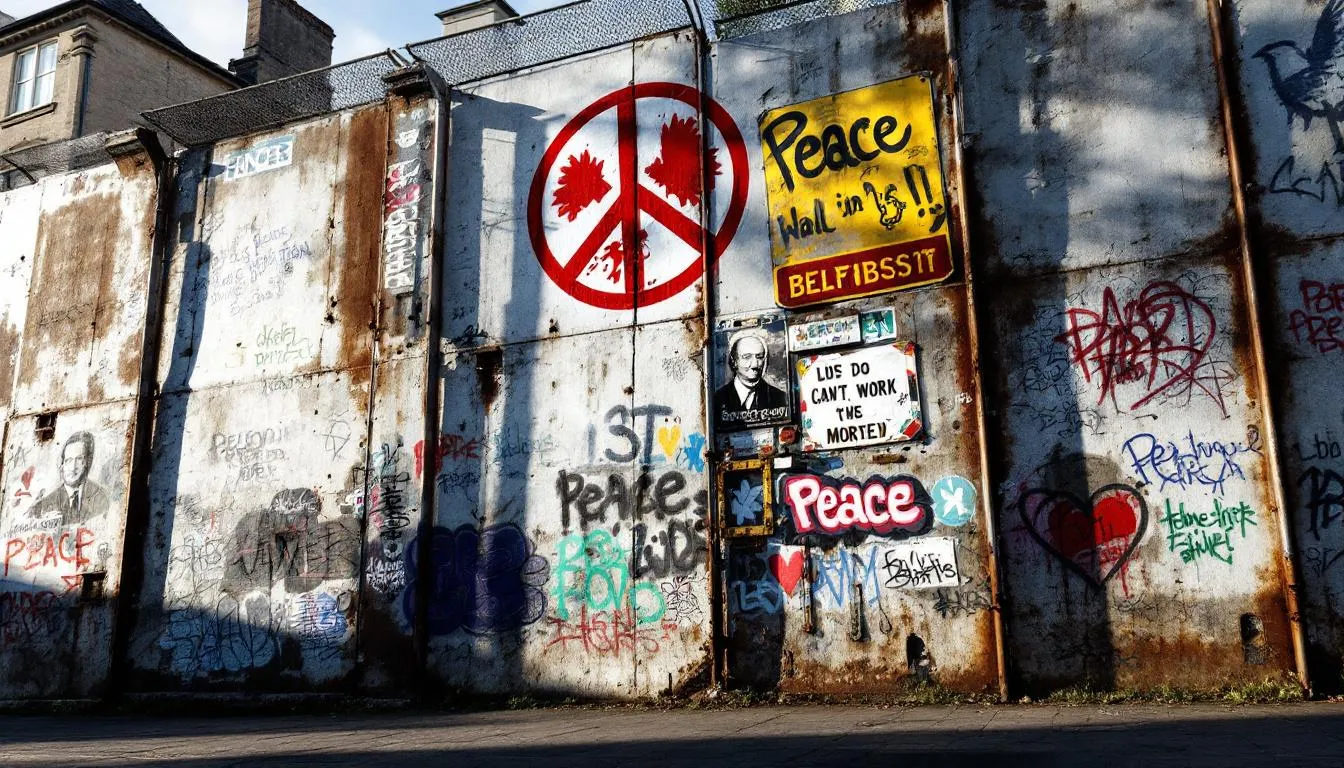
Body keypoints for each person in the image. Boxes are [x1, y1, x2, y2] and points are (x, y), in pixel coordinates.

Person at [31, 432, 110, 526]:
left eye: (79, 459)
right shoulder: (44, 505)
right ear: (62, 464)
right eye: (68, 460)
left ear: (86, 463)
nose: (73, 467)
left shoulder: (101, 497)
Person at [715, 332, 789, 430]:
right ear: (734, 361)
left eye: (759, 357)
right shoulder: (717, 400)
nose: (755, 364)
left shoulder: (780, 398)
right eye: (747, 357)